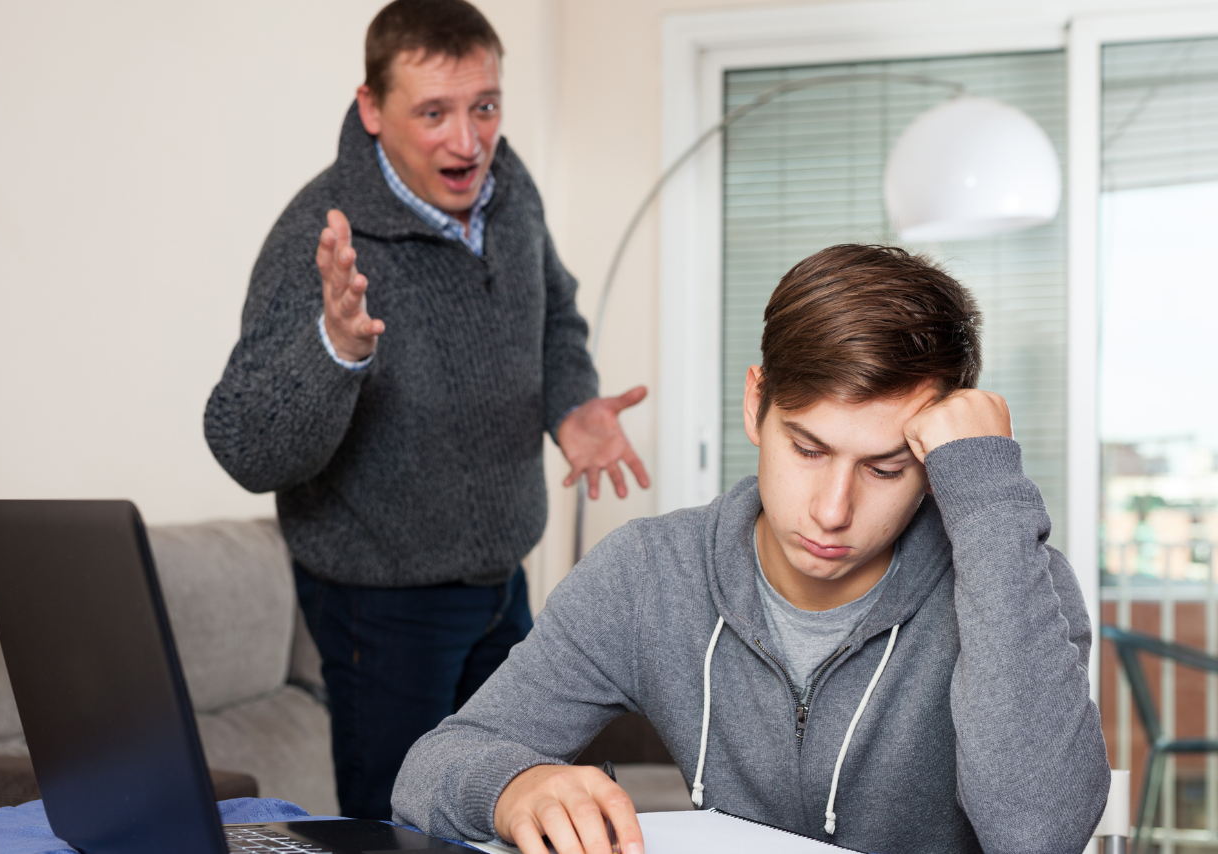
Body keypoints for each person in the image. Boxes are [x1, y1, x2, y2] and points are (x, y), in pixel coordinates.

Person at [391, 244, 1111, 854]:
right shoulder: (647, 573)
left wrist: (985, 494)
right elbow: (430, 767)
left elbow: (1039, 835)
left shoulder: (1015, 576)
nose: (833, 511)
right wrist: (515, 786)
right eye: (806, 448)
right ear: (754, 404)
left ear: (933, 463)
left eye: (886, 468)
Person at [203, 0, 649, 820]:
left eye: (484, 106)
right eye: (434, 112)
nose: (468, 141)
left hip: (500, 578)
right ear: (373, 109)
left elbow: (554, 311)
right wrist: (334, 351)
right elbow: (243, 444)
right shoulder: (320, 233)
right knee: (404, 824)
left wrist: (571, 403)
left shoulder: (510, 193)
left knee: (519, 807)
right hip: (383, 601)